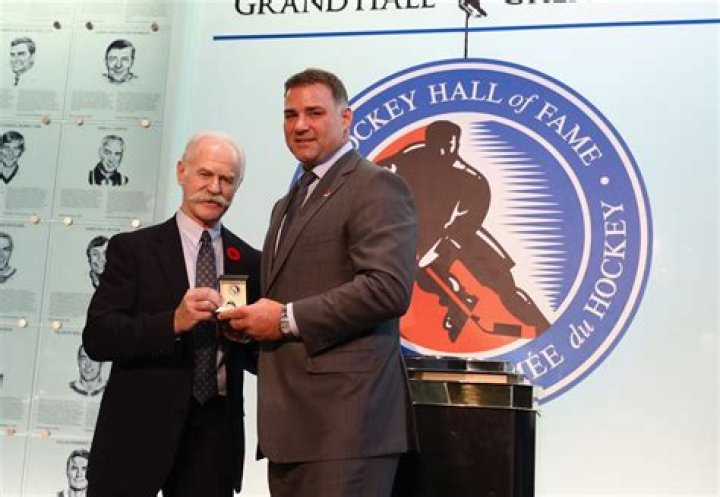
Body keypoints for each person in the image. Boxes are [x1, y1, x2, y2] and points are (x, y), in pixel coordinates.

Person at [220, 68, 418, 497]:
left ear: (345, 119)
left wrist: (284, 319)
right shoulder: (286, 203)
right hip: (291, 430)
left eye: (314, 113)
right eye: (290, 115)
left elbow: (387, 288)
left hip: (347, 429)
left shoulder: (376, 186)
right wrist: (247, 324)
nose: (300, 125)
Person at [82, 132, 261, 496]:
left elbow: (255, 358)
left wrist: (247, 337)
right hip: (136, 434)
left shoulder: (249, 260)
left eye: (226, 180)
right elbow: (98, 337)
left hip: (214, 440)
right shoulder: (133, 250)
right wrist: (172, 322)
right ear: (182, 172)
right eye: (205, 174)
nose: (215, 188)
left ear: (237, 186)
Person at [377, 120, 550, 341]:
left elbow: (460, 230)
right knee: (424, 276)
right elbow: (379, 172)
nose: (442, 152)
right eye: (436, 145)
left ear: (456, 144)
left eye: (448, 146)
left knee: (504, 285)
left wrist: (429, 255)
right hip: (421, 235)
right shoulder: (413, 156)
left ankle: (544, 327)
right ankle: (459, 301)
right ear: (428, 142)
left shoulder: (474, 181)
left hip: (464, 236)